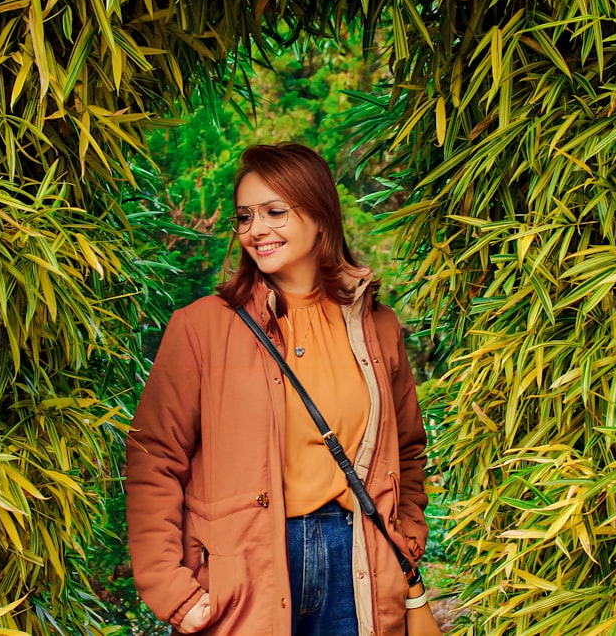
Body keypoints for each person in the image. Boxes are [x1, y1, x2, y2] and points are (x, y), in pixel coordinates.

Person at [126, 142, 429, 636]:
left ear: (320, 215)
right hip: (242, 573)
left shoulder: (377, 326)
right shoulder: (201, 328)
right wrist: (172, 588)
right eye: (244, 217)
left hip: (357, 562)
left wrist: (407, 536)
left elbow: (409, 450)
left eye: (274, 212)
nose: (256, 230)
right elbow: (153, 458)